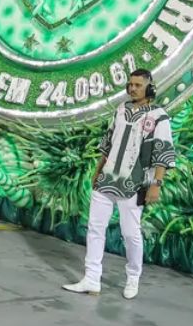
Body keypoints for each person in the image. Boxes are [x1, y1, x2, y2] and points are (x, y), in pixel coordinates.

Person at [63, 69, 176, 300]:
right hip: (107, 179)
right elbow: (108, 142)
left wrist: (156, 184)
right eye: (130, 84)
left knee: (130, 234)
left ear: (149, 88)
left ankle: (133, 277)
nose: (132, 88)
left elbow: (163, 150)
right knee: (95, 228)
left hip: (134, 183)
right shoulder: (121, 110)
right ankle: (92, 279)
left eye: (137, 85)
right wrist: (97, 171)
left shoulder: (159, 116)